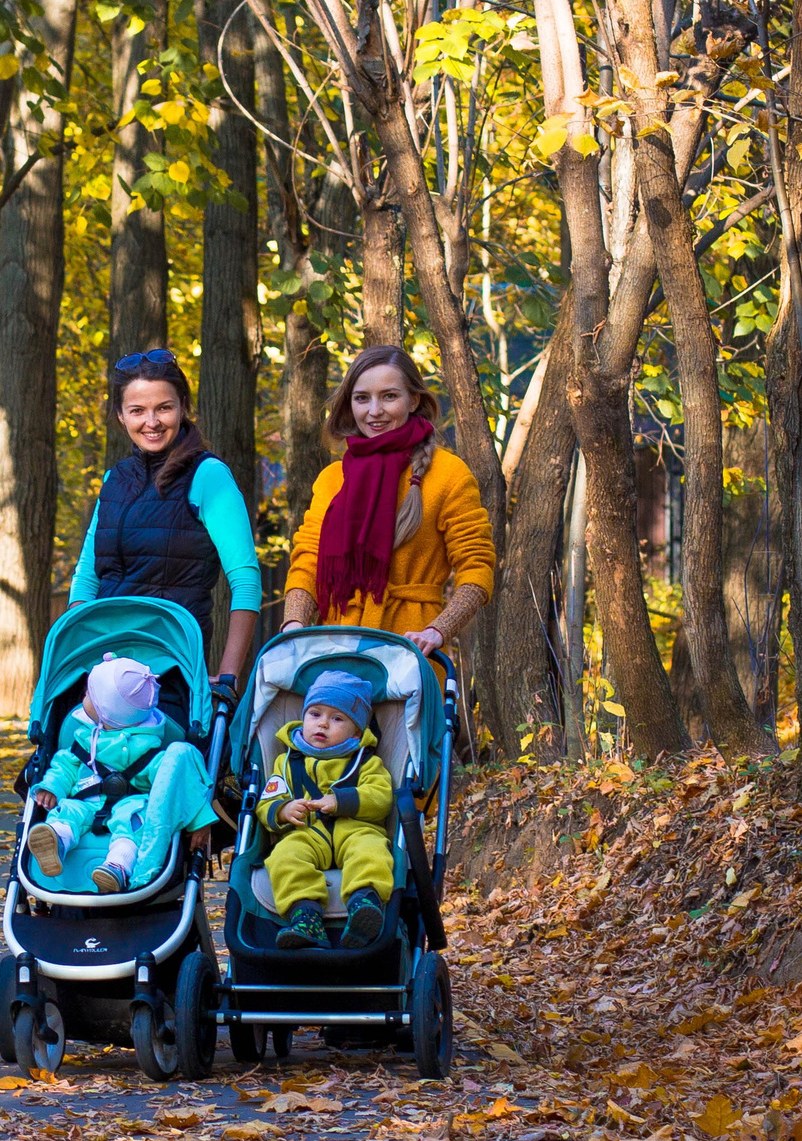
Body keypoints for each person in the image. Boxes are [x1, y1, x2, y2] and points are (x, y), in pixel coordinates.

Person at [70, 350, 263, 710]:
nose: (152, 421)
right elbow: (86, 578)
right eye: (137, 410)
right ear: (121, 415)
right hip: (102, 667)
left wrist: (228, 675)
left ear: (183, 406)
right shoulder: (115, 480)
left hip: (169, 670)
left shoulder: (209, 476)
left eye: (164, 407)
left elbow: (246, 582)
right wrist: (78, 655)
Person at [281, 345, 496, 655]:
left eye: (389, 396)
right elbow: (308, 561)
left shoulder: (449, 473)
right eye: (362, 398)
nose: (374, 411)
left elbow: (477, 565)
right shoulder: (332, 478)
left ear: (414, 399)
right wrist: (294, 624)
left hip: (411, 650)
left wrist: (438, 629)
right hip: (336, 647)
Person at [26, 654, 217, 892]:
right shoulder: (85, 738)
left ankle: (117, 866)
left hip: (130, 802)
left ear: (106, 712)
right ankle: (56, 841)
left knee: (132, 822)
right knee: (67, 811)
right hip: (85, 800)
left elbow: (176, 781)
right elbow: (64, 766)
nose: (83, 697)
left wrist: (200, 820)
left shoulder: (148, 748)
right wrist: (52, 787)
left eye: (88, 695)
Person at [256, 672, 393, 950]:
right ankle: (305, 916)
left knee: (371, 850)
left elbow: (381, 797)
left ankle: (364, 903)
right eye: (315, 714)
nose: (323, 724)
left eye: (337, 718)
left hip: (355, 829)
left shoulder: (365, 762)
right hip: (307, 833)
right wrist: (284, 810)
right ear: (304, 717)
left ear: (357, 731)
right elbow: (266, 801)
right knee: (284, 856)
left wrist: (342, 800)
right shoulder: (286, 762)